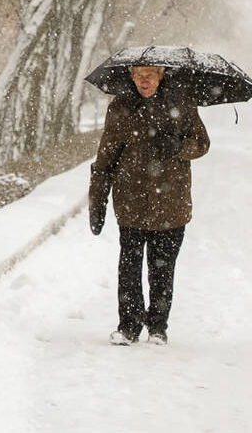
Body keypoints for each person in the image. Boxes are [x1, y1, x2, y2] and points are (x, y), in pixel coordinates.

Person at [88, 65, 210, 346]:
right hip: (131, 201)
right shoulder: (121, 107)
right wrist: (98, 200)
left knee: (162, 269)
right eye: (138, 75)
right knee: (129, 267)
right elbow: (106, 155)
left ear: (161, 75)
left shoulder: (182, 103)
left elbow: (202, 143)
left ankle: (157, 327)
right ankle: (129, 326)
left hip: (171, 203)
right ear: (131, 76)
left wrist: (179, 146)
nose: (144, 80)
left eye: (150, 74)